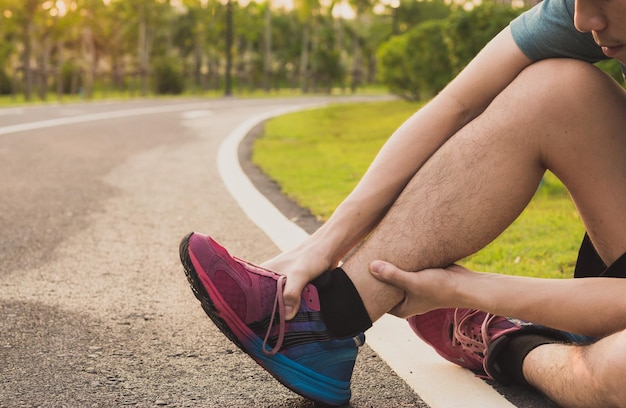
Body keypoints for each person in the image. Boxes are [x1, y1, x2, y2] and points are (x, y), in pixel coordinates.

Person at [179, 0, 626, 405]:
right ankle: (327, 319)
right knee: (555, 89)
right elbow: (456, 103)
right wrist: (324, 245)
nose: (583, 20)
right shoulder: (584, 13)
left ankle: (513, 343)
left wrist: (463, 290)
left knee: (615, 370)